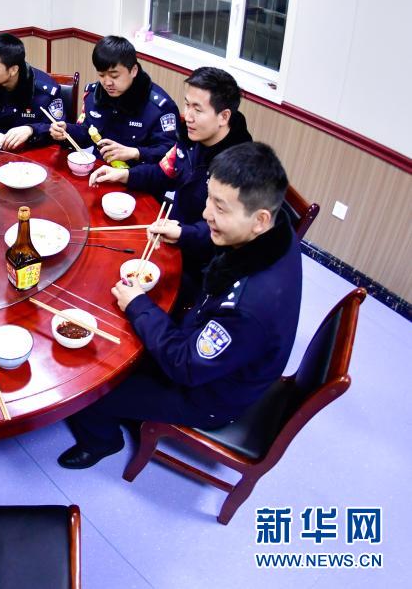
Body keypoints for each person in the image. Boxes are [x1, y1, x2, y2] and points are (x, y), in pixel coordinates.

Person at [58, 142, 302, 469]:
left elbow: (185, 366)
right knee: (124, 333)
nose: (206, 213)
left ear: (259, 219)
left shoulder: (248, 307)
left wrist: (139, 305)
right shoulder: (275, 230)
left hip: (211, 393)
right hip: (221, 353)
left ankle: (102, 441)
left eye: (220, 208)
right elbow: (222, 240)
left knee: (90, 385)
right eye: (209, 199)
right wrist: (184, 233)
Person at [89, 66, 253, 298]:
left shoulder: (240, 166)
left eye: (198, 109)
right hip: (171, 235)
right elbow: (164, 172)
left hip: (204, 264)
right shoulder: (190, 137)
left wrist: (182, 233)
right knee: (105, 255)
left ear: (224, 116)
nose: (188, 116)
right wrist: (125, 175)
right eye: (187, 105)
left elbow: (227, 231)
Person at [49, 35, 179, 165]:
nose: (107, 83)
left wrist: (136, 153)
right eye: (101, 75)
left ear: (133, 70)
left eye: (114, 76)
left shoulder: (160, 107)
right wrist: (67, 130)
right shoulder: (94, 95)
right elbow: (87, 132)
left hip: (137, 173)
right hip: (99, 168)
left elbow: (171, 153)